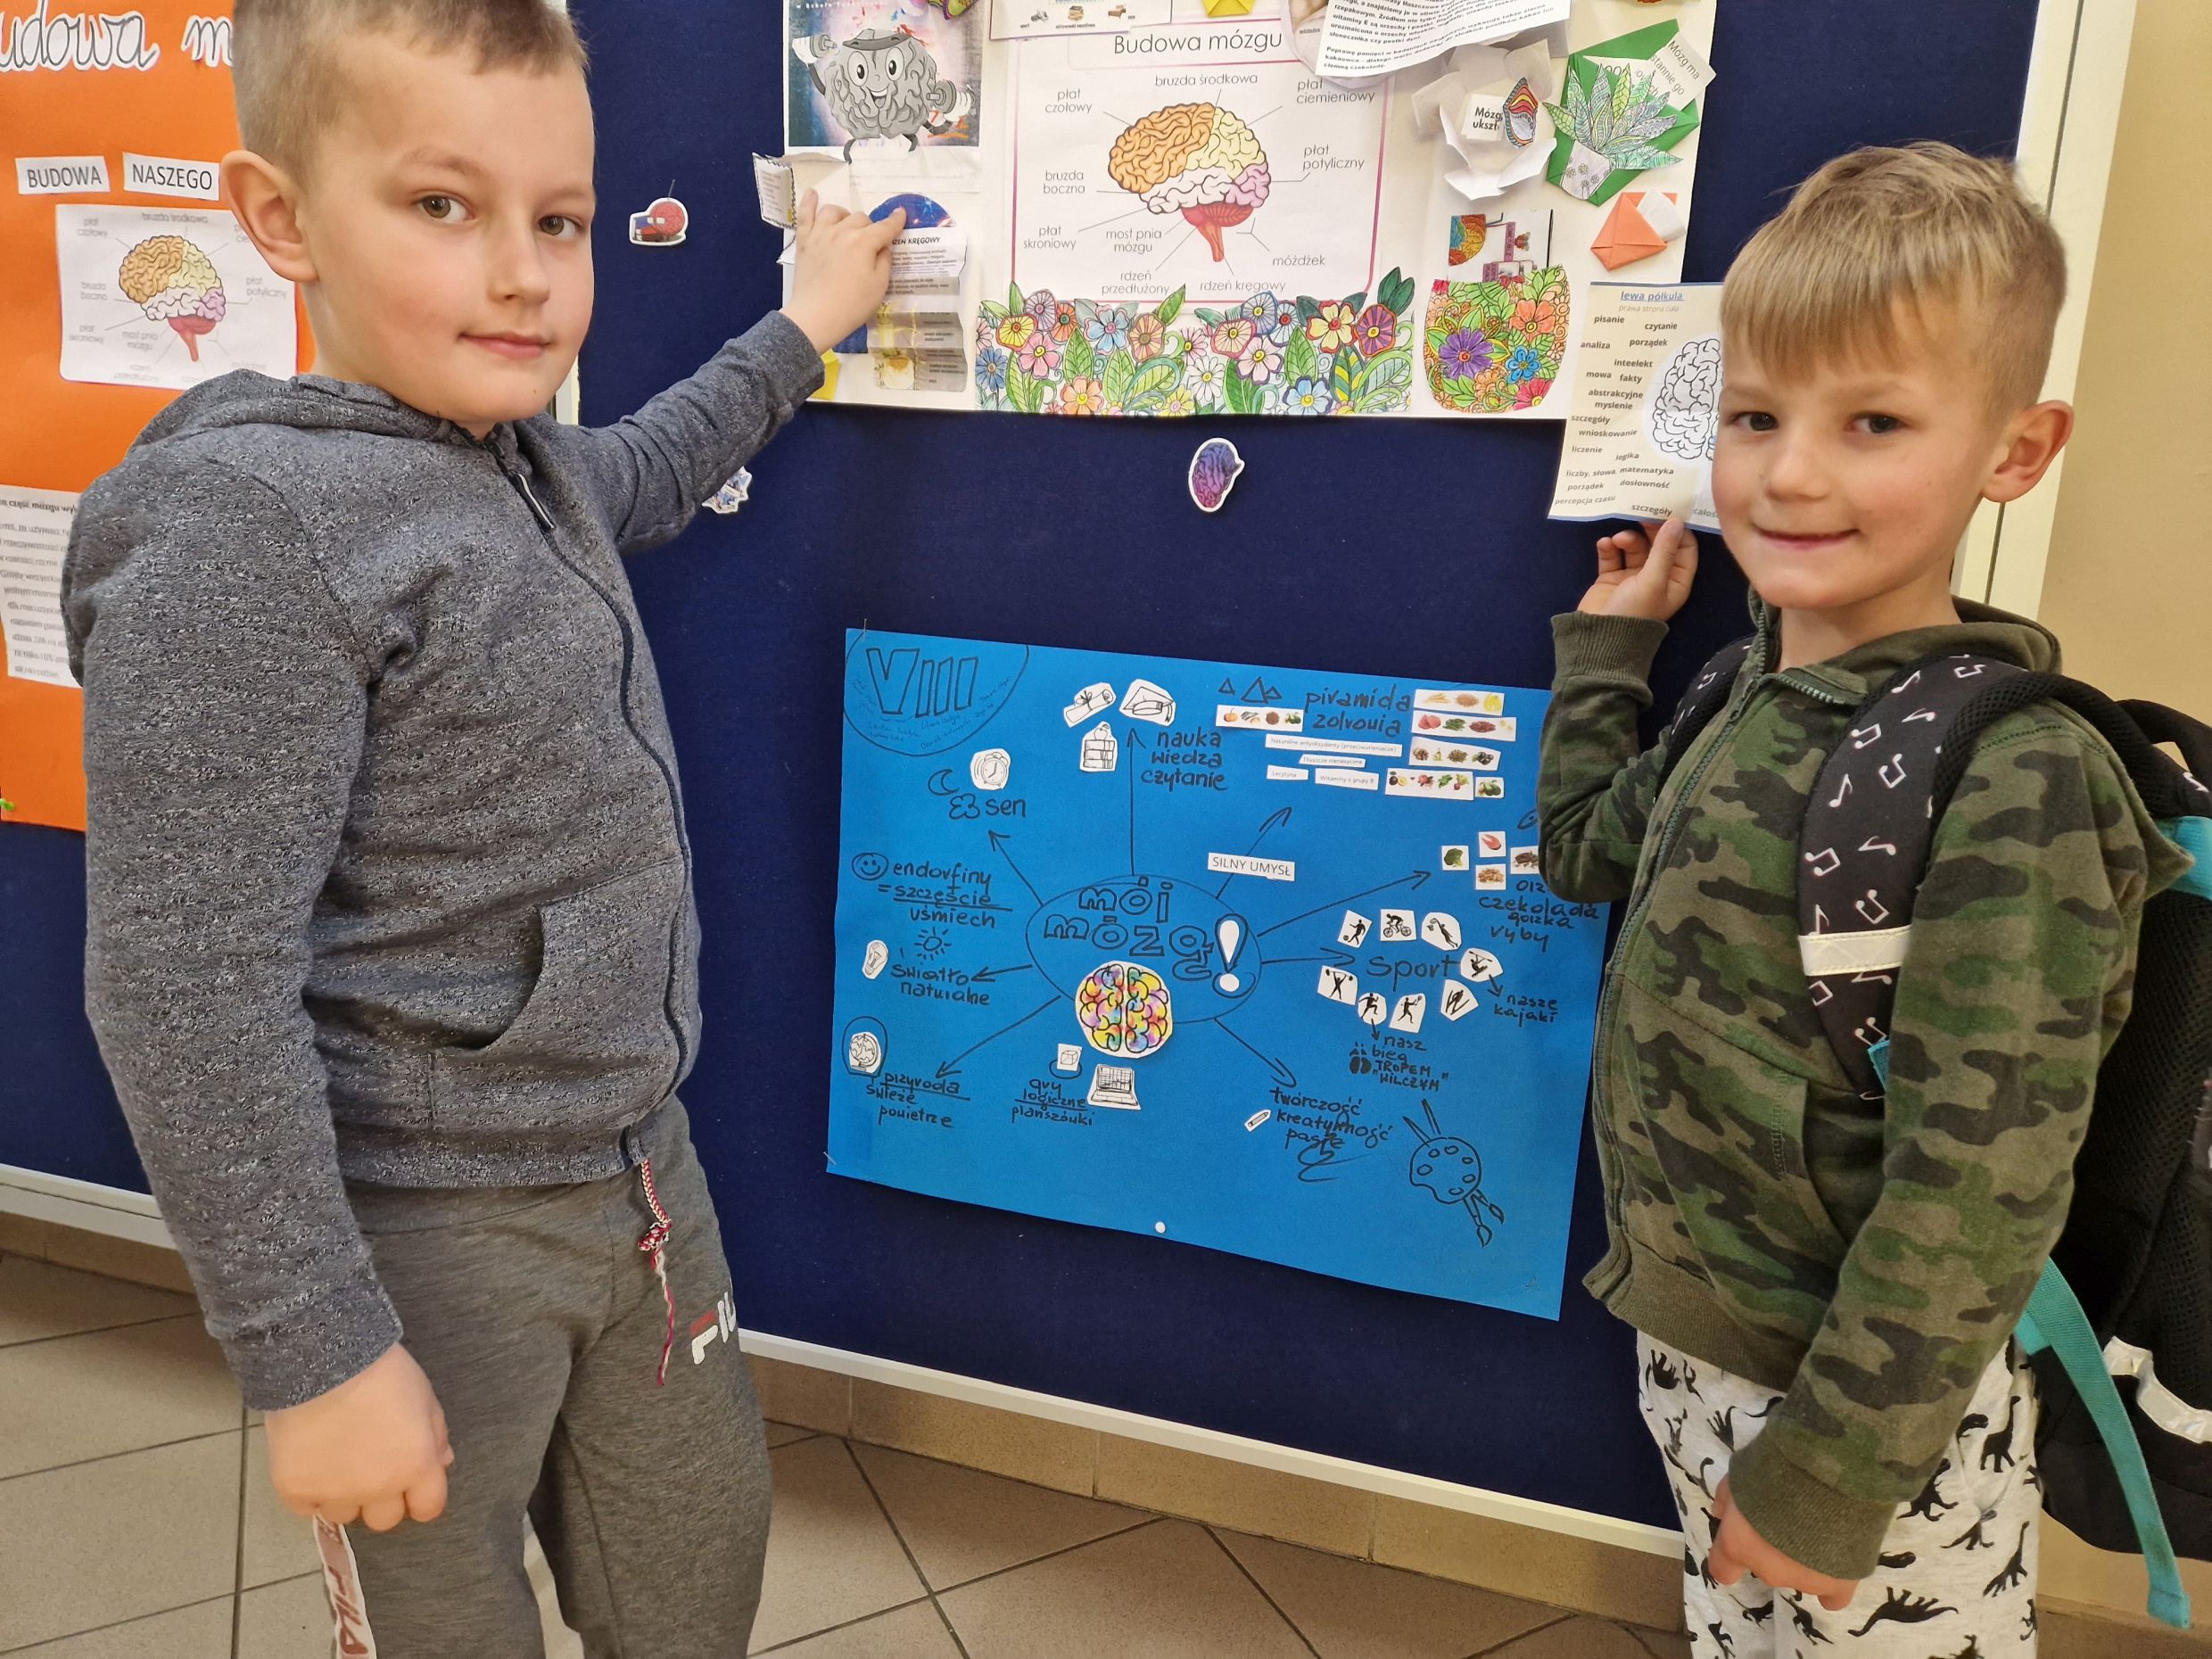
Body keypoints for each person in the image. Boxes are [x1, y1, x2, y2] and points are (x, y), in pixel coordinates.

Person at [61, 2, 900, 1652]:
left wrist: (804, 324)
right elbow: (182, 988)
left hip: (635, 1173)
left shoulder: (524, 466)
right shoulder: (250, 533)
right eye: (443, 206)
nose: (524, 275)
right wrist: (316, 1357)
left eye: (560, 221)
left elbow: (653, 460)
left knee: (693, 1582)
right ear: (282, 219)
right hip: (419, 1231)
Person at [1536, 142, 2193, 1655]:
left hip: (1874, 1408)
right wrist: (1614, 649)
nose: (1790, 474)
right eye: (1755, 416)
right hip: (1699, 1343)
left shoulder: (2019, 772)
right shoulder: (1738, 695)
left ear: (2017, 451)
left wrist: (1833, 1472)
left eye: (1874, 422)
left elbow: (1983, 1179)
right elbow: (1581, 853)